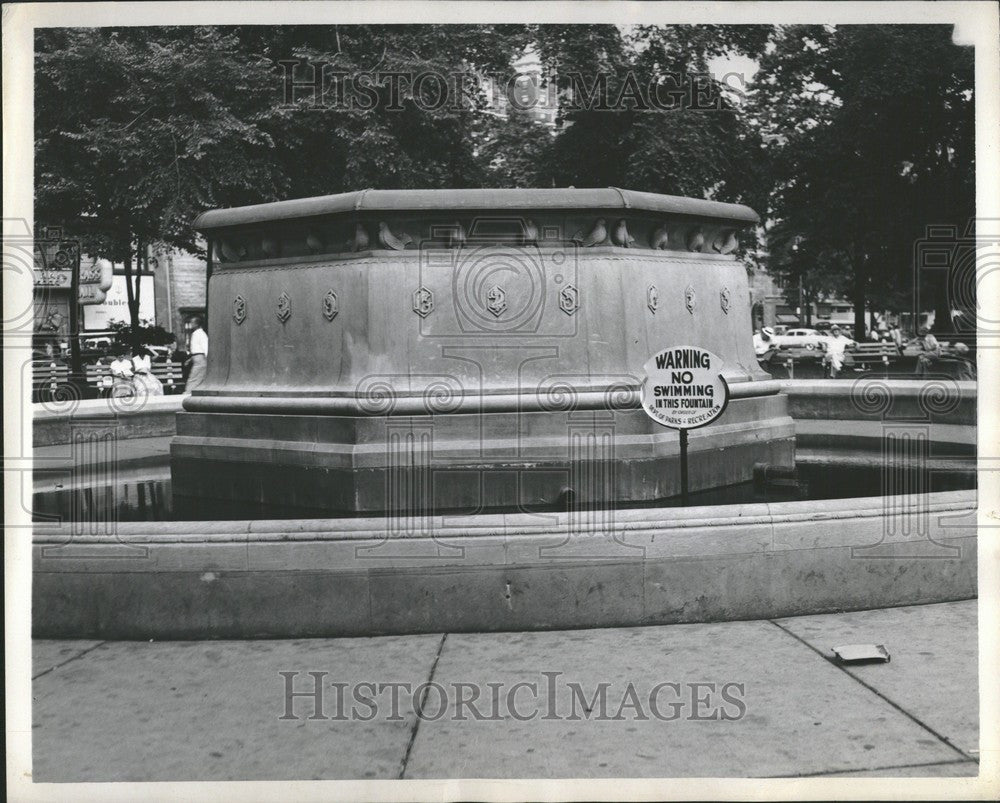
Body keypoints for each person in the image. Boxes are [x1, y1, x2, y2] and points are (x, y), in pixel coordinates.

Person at [186, 316, 208, 390]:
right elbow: (196, 349)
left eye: (192, 322)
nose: (191, 324)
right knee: (197, 376)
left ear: (197, 324)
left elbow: (205, 346)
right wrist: (190, 359)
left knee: (195, 376)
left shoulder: (201, 334)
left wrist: (207, 358)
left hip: (200, 358)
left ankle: (188, 391)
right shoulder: (196, 333)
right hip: (196, 357)